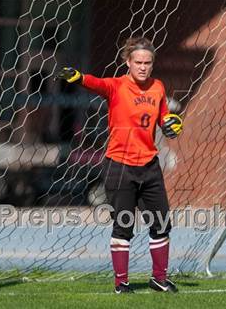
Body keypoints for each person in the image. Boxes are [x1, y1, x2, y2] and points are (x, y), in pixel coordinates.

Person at [54, 36, 183, 293]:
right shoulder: (116, 86)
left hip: (149, 165)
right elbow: (95, 83)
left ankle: (159, 278)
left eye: (147, 62)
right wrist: (78, 77)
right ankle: (121, 283)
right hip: (119, 166)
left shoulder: (158, 87)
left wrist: (171, 127)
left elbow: (164, 119)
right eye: (138, 62)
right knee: (124, 225)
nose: (143, 67)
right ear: (128, 62)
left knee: (161, 224)